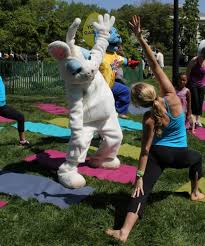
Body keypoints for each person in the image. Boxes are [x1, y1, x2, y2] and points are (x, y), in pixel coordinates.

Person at [106, 15, 204, 243]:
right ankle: (195, 192)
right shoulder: (172, 96)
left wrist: (139, 178)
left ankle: (123, 232)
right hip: (180, 155)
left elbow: (145, 151)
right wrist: (141, 39)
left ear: (140, 104)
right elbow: (154, 64)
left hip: (159, 156)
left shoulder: (149, 119)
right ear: (153, 90)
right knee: (198, 157)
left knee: (141, 191)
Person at [0, 75, 29, 146]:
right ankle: (22, 141)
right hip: (1, 106)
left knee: (20, 117)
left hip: (2, 105)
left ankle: (22, 141)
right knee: (20, 117)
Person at [187, 40, 205, 127]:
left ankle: (198, 120)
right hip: (193, 84)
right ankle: (192, 119)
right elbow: (188, 71)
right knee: (195, 102)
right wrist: (186, 82)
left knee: (200, 103)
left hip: (202, 85)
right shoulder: (195, 60)